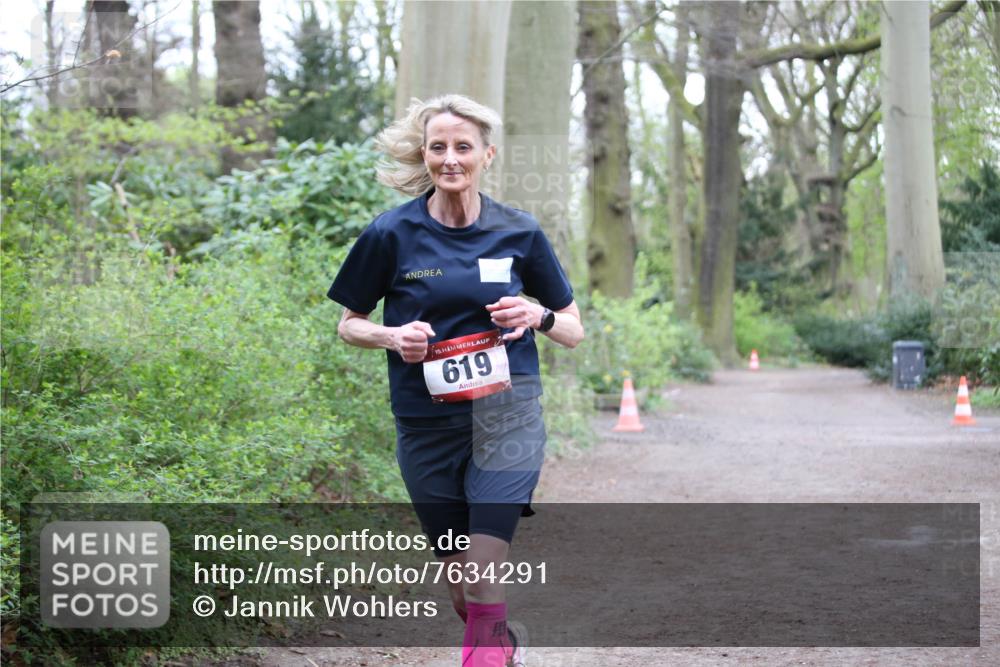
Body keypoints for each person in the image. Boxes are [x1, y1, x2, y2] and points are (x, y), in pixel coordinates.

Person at [327, 94, 583, 667]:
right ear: (425, 154)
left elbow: (572, 329)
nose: (450, 158)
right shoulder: (390, 234)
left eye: (462, 147)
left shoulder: (519, 231)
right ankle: (497, 643)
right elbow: (349, 326)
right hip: (426, 425)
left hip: (507, 416)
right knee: (463, 588)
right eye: (438, 147)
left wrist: (537, 316)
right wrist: (393, 337)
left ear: (486, 155)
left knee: (483, 568)